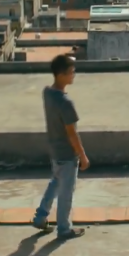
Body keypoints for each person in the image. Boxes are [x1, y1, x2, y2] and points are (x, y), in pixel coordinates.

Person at [32, 54, 89, 239]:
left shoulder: (47, 93)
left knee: (56, 182)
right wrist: (83, 156)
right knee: (66, 193)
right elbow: (72, 133)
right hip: (67, 155)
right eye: (71, 72)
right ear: (61, 74)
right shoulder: (66, 103)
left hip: (55, 151)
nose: (74, 75)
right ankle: (64, 228)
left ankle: (40, 216)